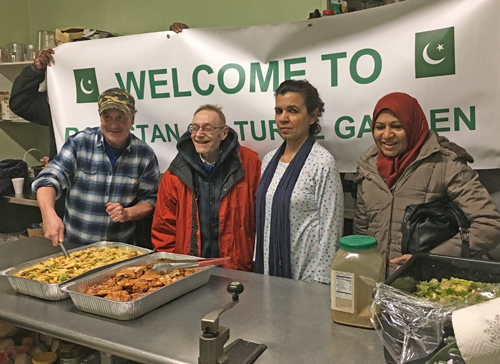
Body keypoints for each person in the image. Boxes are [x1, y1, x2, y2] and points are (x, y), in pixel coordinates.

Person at [353, 92, 500, 275]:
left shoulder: (447, 164)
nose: (387, 135)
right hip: (374, 284)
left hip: (427, 285)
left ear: (413, 125)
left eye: (397, 126)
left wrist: (428, 260)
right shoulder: (368, 167)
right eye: (379, 127)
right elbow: (361, 230)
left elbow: (489, 225)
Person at [32, 88, 160, 246]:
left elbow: (151, 199)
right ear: (100, 118)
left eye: (121, 117)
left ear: (132, 119)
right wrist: (48, 215)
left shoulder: (144, 155)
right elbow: (48, 179)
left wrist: (128, 213)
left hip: (120, 251)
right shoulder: (80, 143)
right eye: (107, 117)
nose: (114, 124)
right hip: (75, 248)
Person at [254, 80, 344, 284]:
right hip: (267, 272)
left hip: (306, 278)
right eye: (279, 111)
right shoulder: (269, 161)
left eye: (292, 111)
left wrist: (321, 281)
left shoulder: (322, 163)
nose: (283, 119)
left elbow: (332, 228)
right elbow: (264, 221)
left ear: (312, 116)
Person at [151, 104, 261, 271]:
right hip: (189, 271)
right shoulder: (175, 173)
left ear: (224, 133)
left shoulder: (249, 165)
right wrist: (171, 267)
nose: (199, 134)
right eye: (195, 128)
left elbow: (261, 219)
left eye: (207, 128)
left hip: (237, 269)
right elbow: (164, 227)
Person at [10, 48, 56, 159]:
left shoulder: (104, 103)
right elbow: (20, 104)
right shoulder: (57, 102)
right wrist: (35, 71)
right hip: (63, 173)